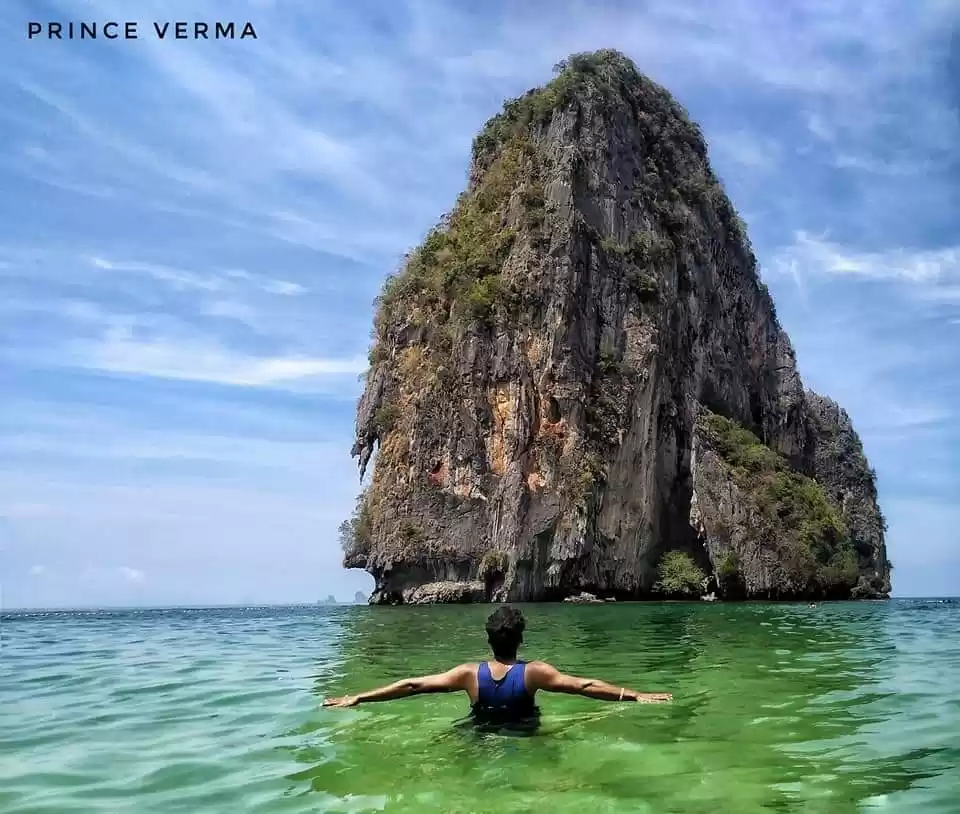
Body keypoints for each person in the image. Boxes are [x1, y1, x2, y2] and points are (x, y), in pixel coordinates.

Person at [322, 605, 672, 724]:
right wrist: (634, 695)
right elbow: (584, 687)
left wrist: (358, 697)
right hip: (524, 734)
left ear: (489, 640)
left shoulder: (468, 674)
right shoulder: (535, 672)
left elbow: (412, 685)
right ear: (521, 639)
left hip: (479, 732)